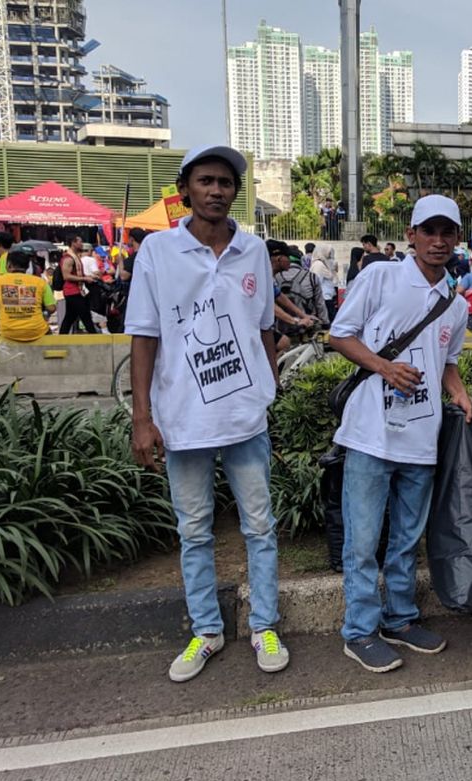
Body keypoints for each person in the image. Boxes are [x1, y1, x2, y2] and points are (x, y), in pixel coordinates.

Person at [125, 144, 289, 683]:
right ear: (185, 190)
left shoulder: (253, 252)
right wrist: (142, 417)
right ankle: (207, 632)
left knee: (260, 527)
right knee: (194, 530)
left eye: (225, 182)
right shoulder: (157, 253)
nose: (217, 190)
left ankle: (264, 624)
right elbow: (145, 337)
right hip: (184, 419)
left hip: (246, 417)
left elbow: (264, 327)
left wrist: (269, 390)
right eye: (206, 181)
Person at [329, 195, 472, 674]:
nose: (437, 241)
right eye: (428, 231)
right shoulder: (380, 276)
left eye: (446, 232)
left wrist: (460, 393)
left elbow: (446, 361)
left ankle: (401, 618)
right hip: (371, 433)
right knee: (363, 539)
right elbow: (340, 335)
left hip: (422, 437)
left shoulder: (454, 303)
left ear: (456, 238)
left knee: (408, 538)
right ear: (410, 234)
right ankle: (360, 631)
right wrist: (384, 367)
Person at [0, 249, 55, 342]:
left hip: (7, 332)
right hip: (36, 331)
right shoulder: (40, 282)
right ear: (27, 267)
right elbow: (51, 308)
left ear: (8, 265)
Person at [271, 240, 327, 336]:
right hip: (258, 327)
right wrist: (295, 321)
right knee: (281, 344)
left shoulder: (273, 277)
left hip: (281, 326)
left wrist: (303, 316)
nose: (289, 260)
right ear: (279, 259)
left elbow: (279, 296)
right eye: (287, 257)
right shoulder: (261, 276)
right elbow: (269, 306)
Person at [58, 234, 99, 334]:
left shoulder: (75, 257)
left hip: (77, 291)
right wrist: (85, 278)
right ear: (73, 243)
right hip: (72, 292)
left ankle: (61, 337)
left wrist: (89, 276)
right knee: (85, 316)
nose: (82, 244)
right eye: (79, 242)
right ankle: (95, 337)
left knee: (70, 317)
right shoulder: (69, 258)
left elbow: (77, 273)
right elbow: (66, 276)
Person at [309, 244, 338, 321]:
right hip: (323, 298)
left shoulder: (324, 264)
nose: (330, 255)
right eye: (328, 253)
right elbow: (316, 283)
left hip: (327, 297)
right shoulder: (318, 265)